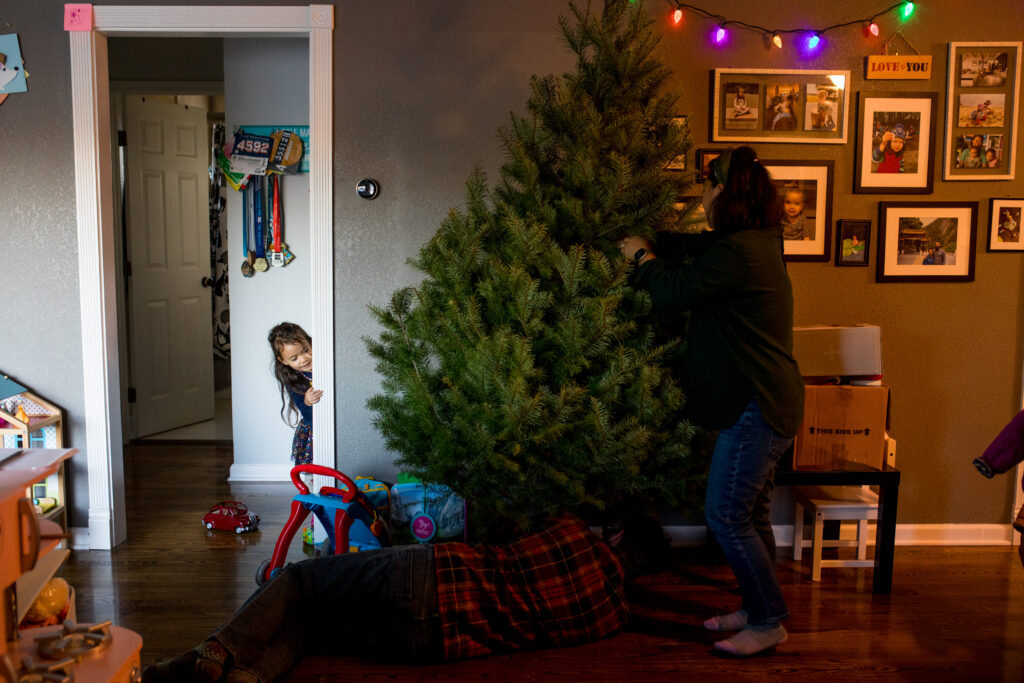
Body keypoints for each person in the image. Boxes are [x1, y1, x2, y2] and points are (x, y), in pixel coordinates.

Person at [617, 146, 803, 657]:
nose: (701, 196)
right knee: (754, 517)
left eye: (707, 188)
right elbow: (697, 249)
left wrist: (639, 256)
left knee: (725, 517)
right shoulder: (752, 242)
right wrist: (657, 241)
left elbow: (674, 291)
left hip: (757, 405)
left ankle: (768, 622)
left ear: (725, 193)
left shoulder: (739, 253)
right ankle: (757, 605)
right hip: (771, 400)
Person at [143, 512, 669, 682]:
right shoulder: (613, 617)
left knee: (300, 581)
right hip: (437, 640)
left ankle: (216, 651)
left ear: (618, 537)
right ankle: (251, 678)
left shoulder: (577, 534)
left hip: (431, 576)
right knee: (315, 631)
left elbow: (513, 533)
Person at [269, 322, 323, 467]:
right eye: (294, 358)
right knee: (314, 473)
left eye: (306, 350)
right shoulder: (294, 380)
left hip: (336, 425)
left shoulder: (326, 363)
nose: (304, 358)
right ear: (283, 361)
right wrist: (307, 402)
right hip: (313, 431)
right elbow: (305, 413)